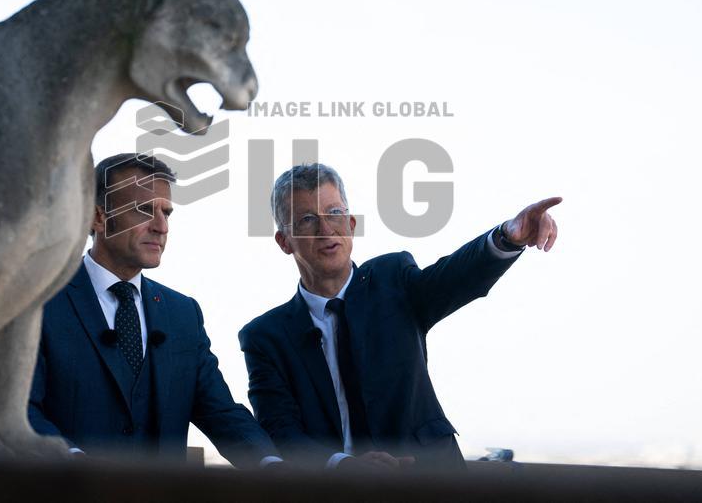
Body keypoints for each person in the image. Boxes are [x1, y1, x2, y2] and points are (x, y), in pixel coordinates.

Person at [239, 163, 560, 471]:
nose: (326, 230)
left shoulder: (392, 279)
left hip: (429, 481)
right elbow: (282, 433)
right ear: (284, 242)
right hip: (336, 492)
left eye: (334, 213)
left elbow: (454, 278)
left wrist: (507, 237)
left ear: (351, 224)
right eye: (307, 219)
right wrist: (344, 467)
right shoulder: (265, 337)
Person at [29, 153, 279, 467]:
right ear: (97, 217)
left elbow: (222, 413)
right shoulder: (38, 304)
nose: (161, 227)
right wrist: (74, 467)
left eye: (166, 213)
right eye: (144, 210)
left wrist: (272, 465)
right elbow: (22, 414)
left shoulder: (183, 314)